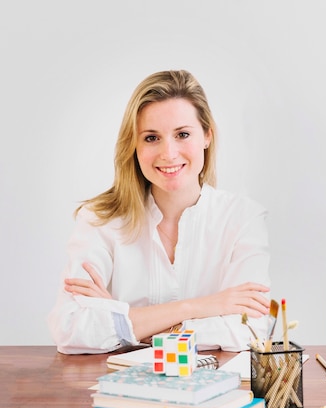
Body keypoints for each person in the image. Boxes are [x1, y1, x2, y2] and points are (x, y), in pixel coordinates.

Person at [48, 69, 270, 354]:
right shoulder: (99, 219)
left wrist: (123, 319)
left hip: (214, 391)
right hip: (119, 391)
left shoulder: (244, 218)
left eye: (182, 134)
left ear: (207, 135)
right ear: (135, 145)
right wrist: (203, 307)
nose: (169, 153)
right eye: (152, 138)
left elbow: (250, 329)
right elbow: (70, 329)